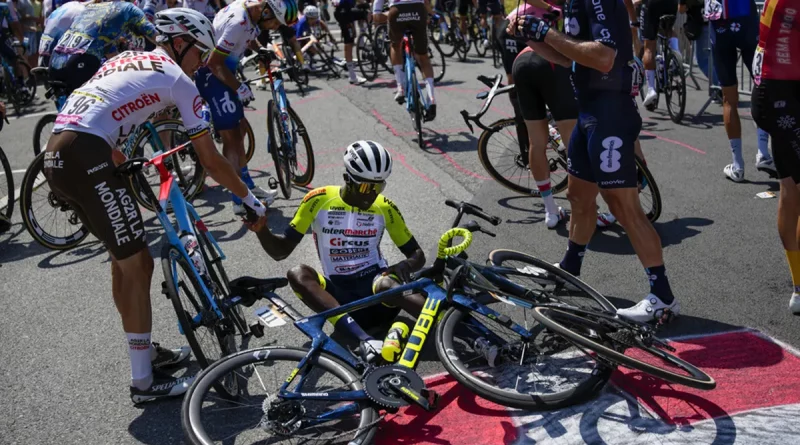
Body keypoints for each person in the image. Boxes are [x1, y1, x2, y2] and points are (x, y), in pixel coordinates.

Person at [43, 8, 268, 402]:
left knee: (123, 260)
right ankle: (143, 384)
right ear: (180, 44)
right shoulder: (180, 80)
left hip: (58, 152)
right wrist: (250, 200)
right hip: (86, 154)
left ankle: (143, 352)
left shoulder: (126, 59)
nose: (201, 64)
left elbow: (99, 112)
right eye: (199, 52)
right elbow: (211, 161)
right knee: (140, 264)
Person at [519, 0, 678, 322]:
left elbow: (604, 58)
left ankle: (663, 297)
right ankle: (570, 269)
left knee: (623, 207)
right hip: (589, 113)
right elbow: (569, 58)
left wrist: (548, 32)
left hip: (610, 116)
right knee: (578, 197)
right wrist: (534, 39)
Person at [248, 141, 426, 358]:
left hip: (379, 293)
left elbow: (417, 255)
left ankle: (457, 325)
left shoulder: (384, 207)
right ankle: (367, 342)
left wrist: (405, 266)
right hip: (340, 302)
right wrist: (261, 230)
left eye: (378, 187)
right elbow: (281, 251)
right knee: (297, 273)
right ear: (347, 179)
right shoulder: (318, 200)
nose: (371, 194)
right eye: (365, 187)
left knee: (387, 283)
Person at [197, 0, 298, 215]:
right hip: (213, 76)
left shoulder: (250, 11)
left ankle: (247, 186)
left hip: (224, 73)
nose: (274, 27)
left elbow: (248, 37)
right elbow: (214, 64)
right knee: (232, 138)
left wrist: (260, 49)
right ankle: (238, 199)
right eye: (275, 22)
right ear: (266, 11)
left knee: (241, 129)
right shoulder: (239, 21)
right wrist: (239, 88)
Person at [750, 0, 800, 314]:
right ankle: (799, 286)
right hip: (781, 92)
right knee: (793, 187)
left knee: (791, 187)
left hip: (775, 89)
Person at [507, 1, 572, 229]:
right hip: (550, 59)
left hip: (522, 60)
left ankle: (550, 211)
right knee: (571, 140)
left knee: (536, 142)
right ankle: (586, 206)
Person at [704, 0, 774, 182]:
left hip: (719, 23)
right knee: (762, 86)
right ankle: (763, 153)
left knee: (729, 99)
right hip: (745, 19)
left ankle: (737, 166)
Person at [48, 1, 157, 95]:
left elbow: (111, 55)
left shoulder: (92, 8)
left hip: (54, 62)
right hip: (79, 62)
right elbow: (156, 37)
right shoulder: (129, 9)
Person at [373, 0, 437, 120]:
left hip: (397, 10)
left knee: (395, 45)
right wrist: (432, 14)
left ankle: (400, 87)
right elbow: (427, 2)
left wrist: (377, 13)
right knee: (423, 57)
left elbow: (377, 8)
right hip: (417, 9)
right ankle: (431, 98)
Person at [639, 0, 680, 108]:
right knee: (669, 30)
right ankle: (676, 56)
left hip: (652, 4)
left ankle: (651, 89)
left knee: (649, 46)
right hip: (671, 3)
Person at [35, 0, 82, 67]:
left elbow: (45, 24)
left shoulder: (52, 4)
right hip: (59, 55)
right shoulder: (80, 9)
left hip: (44, 51)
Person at [332, 0, 367, 84]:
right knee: (348, 44)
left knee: (349, 42)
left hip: (343, 12)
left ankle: (362, 37)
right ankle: (352, 76)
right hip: (345, 13)